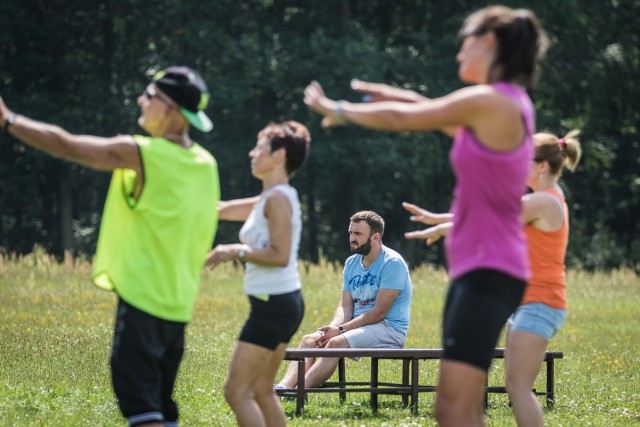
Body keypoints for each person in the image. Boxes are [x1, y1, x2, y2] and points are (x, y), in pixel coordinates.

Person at [303, 5, 549, 426]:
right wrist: (390, 94)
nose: (458, 55)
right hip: (480, 270)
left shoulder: (494, 101)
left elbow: (409, 118)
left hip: (490, 272)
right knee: (457, 407)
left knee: (454, 408)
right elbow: (428, 108)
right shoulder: (499, 106)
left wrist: (337, 108)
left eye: (464, 44)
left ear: (488, 42)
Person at [0, 66, 220, 427]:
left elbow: (66, 144)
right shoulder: (205, 163)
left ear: (170, 109)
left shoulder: (142, 153)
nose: (141, 100)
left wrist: (9, 119)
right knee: (161, 407)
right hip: (178, 307)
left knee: (142, 408)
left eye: (149, 95)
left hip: (143, 304)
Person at [403, 130, 582, 427]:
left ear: (541, 166)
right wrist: (439, 219)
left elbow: (489, 221)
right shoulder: (544, 198)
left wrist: (440, 224)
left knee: (519, 388)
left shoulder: (545, 202)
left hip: (541, 302)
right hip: (527, 302)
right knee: (516, 386)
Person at [204, 121, 310, 427]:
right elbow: (221, 209)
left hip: (273, 306)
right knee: (263, 390)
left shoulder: (277, 199)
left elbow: (280, 255)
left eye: (260, 147)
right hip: (282, 303)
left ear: (279, 156)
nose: (252, 153)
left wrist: (234, 250)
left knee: (236, 392)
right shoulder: (272, 197)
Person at [276, 210, 412, 390]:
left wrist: (340, 331)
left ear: (375, 237)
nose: (352, 238)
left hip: (388, 328)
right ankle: (282, 388)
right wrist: (331, 329)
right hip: (357, 327)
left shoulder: (392, 263)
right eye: (350, 233)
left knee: (335, 343)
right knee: (310, 340)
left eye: (358, 234)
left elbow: (379, 312)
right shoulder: (351, 263)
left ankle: (298, 392)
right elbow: (345, 306)